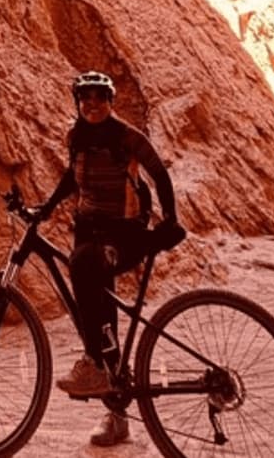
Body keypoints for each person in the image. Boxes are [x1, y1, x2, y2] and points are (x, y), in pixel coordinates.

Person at [33, 70, 187, 447]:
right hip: (89, 232)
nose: (92, 104)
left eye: (99, 97)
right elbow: (73, 177)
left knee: (84, 267)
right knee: (102, 317)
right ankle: (117, 414)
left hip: (124, 235)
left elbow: (159, 175)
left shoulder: (127, 137)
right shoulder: (77, 137)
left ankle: (94, 365)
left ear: (110, 101)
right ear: (77, 102)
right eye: (85, 97)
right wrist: (46, 208)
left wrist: (170, 221)